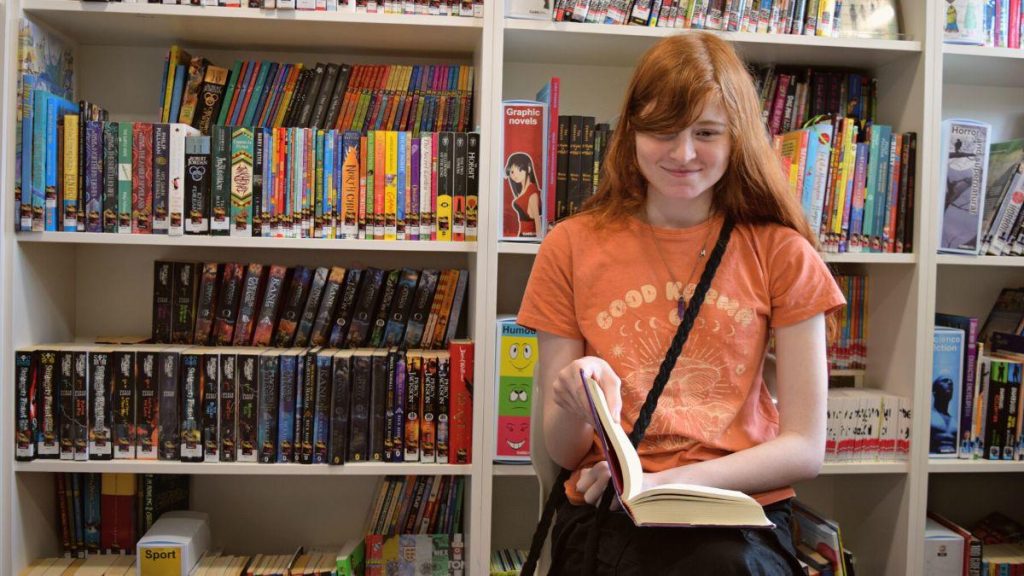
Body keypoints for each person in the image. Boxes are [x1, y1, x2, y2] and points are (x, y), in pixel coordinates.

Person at [517, 32, 846, 575]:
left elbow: (805, 447)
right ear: (631, 131)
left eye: (707, 132)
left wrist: (665, 484)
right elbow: (562, 450)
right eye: (662, 131)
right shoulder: (569, 246)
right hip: (608, 505)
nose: (684, 153)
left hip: (739, 509)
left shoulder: (782, 252)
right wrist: (577, 397)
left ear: (737, 137)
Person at [505, 152, 542, 237]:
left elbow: (537, 219)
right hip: (523, 235)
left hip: (529, 236)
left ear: (528, 169)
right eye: (512, 172)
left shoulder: (532, 191)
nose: (515, 175)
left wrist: (539, 238)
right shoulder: (523, 191)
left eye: (519, 170)